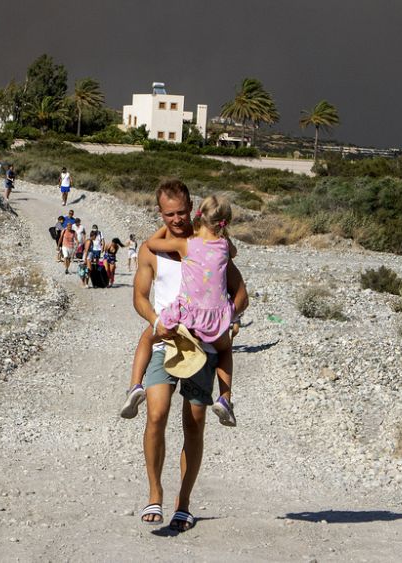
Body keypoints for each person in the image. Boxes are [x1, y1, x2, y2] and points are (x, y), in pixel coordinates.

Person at [130, 180, 248, 531]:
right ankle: (155, 493)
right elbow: (139, 297)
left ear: (192, 207)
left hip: (204, 347)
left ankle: (184, 502)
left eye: (182, 212)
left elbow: (240, 293)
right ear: (160, 214)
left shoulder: (209, 244)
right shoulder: (152, 251)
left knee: (193, 425)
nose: (177, 219)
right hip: (165, 340)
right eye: (170, 214)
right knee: (156, 415)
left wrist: (229, 318)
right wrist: (155, 321)